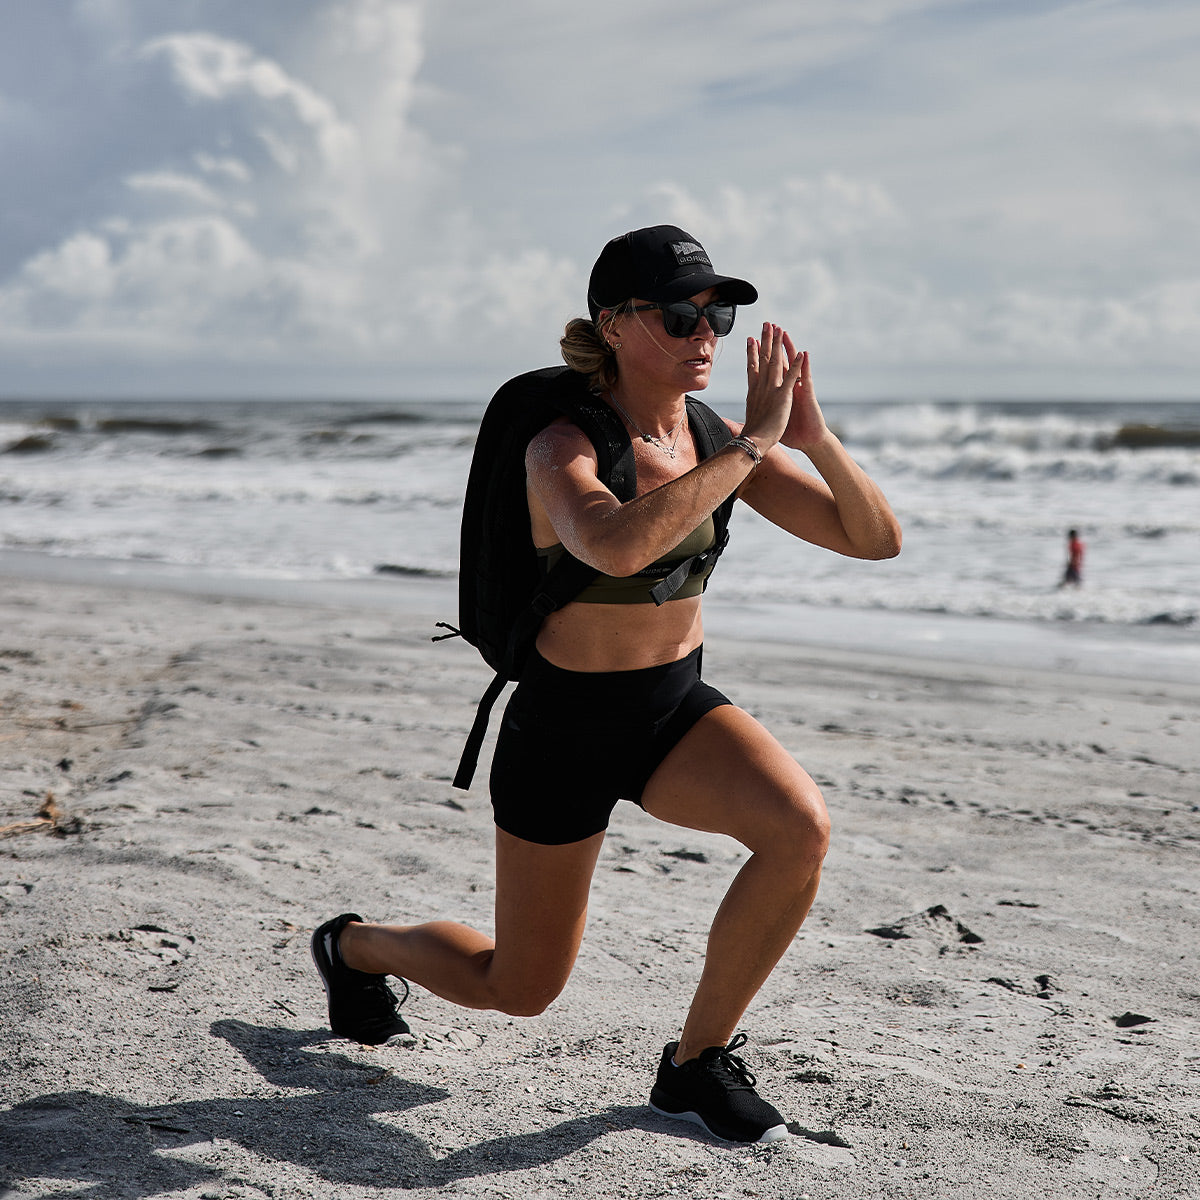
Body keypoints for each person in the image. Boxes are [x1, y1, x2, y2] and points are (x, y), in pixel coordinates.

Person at [311, 225, 902, 1144]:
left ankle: (695, 1062)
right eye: (679, 314)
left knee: (799, 832)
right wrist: (752, 447)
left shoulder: (711, 437)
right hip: (564, 732)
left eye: (719, 313)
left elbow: (874, 540)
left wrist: (816, 443)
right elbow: (618, 544)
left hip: (672, 710)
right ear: (614, 324)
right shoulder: (561, 445)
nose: (705, 333)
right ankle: (353, 946)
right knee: (519, 988)